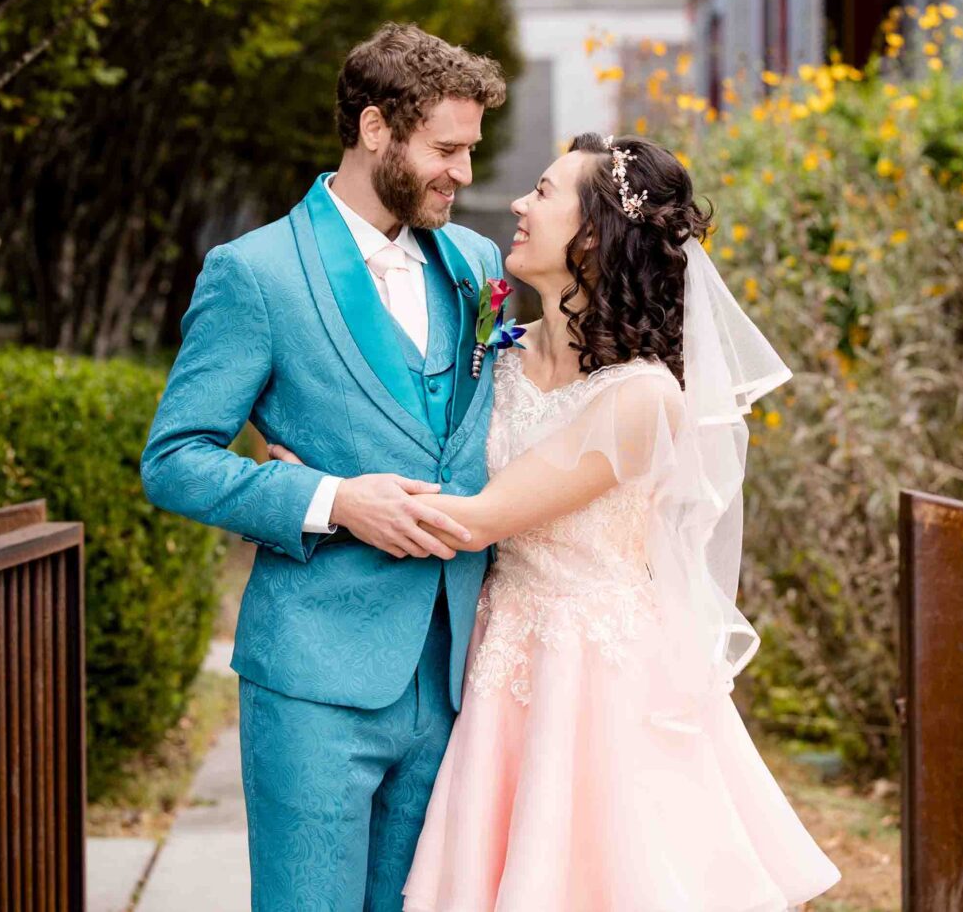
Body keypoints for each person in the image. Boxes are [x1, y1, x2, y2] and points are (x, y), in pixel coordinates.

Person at [271, 133, 843, 911]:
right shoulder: (496, 356)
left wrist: (320, 488)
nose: (515, 203)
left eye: (542, 192)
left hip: (591, 674)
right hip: (497, 655)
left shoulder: (641, 399)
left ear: (594, 235)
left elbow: (473, 519)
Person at [140, 22, 509, 912]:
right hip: (314, 677)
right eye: (447, 150)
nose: (463, 173)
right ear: (376, 129)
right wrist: (334, 498)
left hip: (457, 671)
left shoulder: (479, 264)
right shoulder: (255, 273)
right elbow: (174, 459)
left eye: (470, 150)